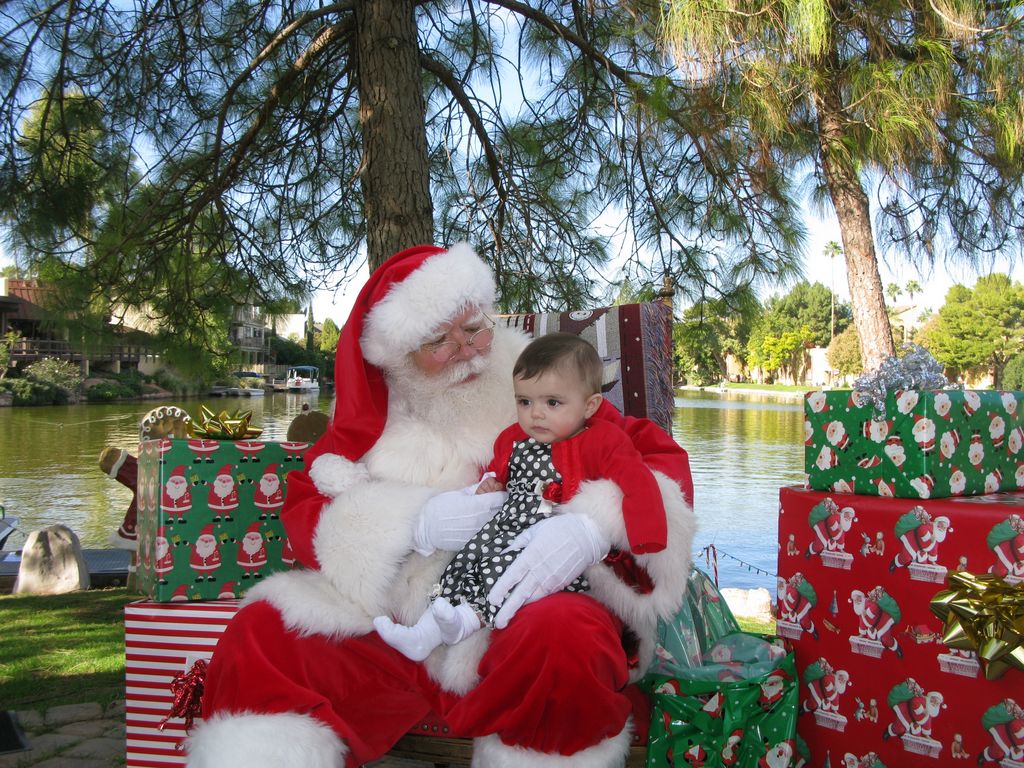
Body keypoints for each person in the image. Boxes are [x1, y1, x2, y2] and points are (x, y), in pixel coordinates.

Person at [187, 243, 695, 768]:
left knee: (563, 636)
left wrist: (592, 525)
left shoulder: (533, 381)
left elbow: (650, 456)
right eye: (438, 341)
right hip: (405, 616)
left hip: (524, 603)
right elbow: (308, 512)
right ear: (398, 355)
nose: (468, 349)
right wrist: (413, 524)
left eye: (474, 327)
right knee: (263, 632)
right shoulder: (375, 415)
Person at [373, 333, 668, 660]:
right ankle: (423, 635)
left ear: (590, 405)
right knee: (466, 564)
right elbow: (503, 470)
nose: (535, 414)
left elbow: (638, 482)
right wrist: (492, 484)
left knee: (503, 573)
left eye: (552, 403)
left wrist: (646, 539)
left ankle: (464, 622)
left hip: (552, 541)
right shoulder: (513, 437)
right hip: (507, 525)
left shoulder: (603, 441)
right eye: (525, 402)